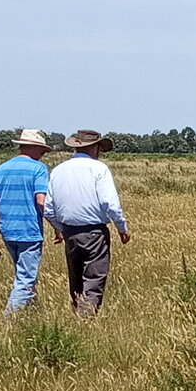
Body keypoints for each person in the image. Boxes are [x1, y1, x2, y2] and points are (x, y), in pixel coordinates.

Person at [48, 129, 130, 314]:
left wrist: (60, 228)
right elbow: (110, 204)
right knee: (93, 279)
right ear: (94, 147)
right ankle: (85, 320)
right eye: (99, 147)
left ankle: (77, 311)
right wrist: (121, 227)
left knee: (76, 279)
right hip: (94, 232)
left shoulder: (58, 171)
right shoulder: (99, 169)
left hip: (70, 231)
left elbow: (48, 208)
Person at [0, 130, 59, 314]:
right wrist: (57, 227)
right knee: (26, 279)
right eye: (41, 150)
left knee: (23, 274)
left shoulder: (1, 169)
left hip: (7, 231)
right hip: (29, 232)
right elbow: (41, 201)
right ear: (32, 147)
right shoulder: (38, 169)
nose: (43, 154)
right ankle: (7, 321)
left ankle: (32, 314)